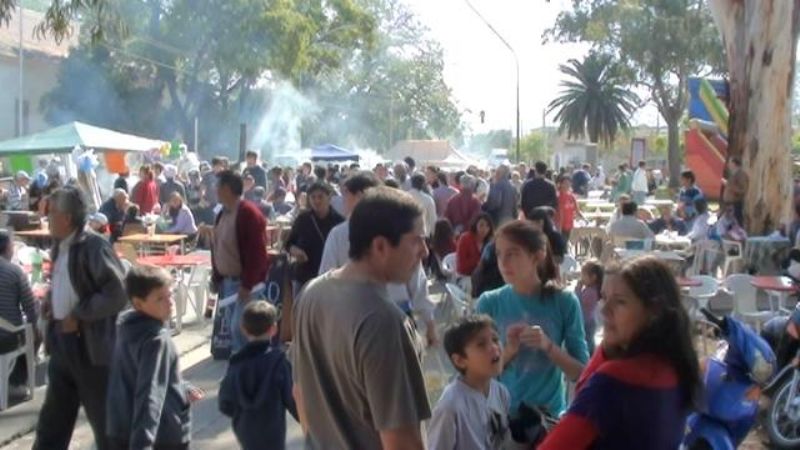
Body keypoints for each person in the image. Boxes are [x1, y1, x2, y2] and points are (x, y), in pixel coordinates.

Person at [292, 186, 431, 449]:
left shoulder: (312, 293)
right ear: (380, 246)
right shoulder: (384, 322)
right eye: (417, 240)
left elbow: (300, 394)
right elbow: (401, 441)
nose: (424, 251)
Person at [539, 256, 701, 450]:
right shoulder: (678, 368)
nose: (604, 310)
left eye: (620, 302)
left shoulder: (613, 381)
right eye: (604, 298)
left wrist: (604, 350)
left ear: (654, 310)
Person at [34, 187, 127, 450]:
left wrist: (79, 314)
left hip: (91, 348)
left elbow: (117, 293)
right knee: (53, 422)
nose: (47, 218)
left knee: (106, 424)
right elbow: (68, 282)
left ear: (66, 218)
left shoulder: (93, 246)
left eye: (51, 213)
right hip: (62, 343)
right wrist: (51, 300)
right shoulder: (60, 246)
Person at [476, 220, 588, 424]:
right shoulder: (489, 302)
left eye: (513, 254)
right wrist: (509, 351)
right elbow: (478, 373)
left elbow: (581, 374)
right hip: (502, 417)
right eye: (499, 254)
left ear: (538, 255)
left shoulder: (564, 302)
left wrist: (548, 346)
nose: (503, 262)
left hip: (548, 418)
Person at [319, 172, 438, 347]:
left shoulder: (397, 231)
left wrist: (429, 322)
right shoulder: (339, 233)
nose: (343, 201)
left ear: (361, 195)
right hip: (358, 319)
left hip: (390, 316)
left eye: (346, 195)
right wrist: (430, 323)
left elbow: (417, 279)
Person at [106, 265, 194, 450]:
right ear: (138, 303)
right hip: (162, 435)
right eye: (160, 299)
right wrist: (143, 443)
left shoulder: (124, 329)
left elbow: (134, 374)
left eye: (170, 294)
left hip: (121, 428)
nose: (169, 302)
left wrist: (181, 387)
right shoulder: (156, 340)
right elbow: (149, 393)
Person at [219, 301, 298, 450]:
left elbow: (225, 402)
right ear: (274, 329)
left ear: (243, 329)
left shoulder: (236, 363)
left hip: (246, 432)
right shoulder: (278, 362)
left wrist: (239, 414)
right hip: (273, 433)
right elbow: (292, 397)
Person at [427, 315, 510, 449]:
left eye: (495, 340)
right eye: (481, 344)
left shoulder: (501, 392)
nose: (494, 347)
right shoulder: (450, 407)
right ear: (460, 360)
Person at [211, 171, 269, 354]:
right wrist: (216, 277)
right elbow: (218, 246)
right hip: (228, 283)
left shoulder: (248, 214)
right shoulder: (222, 214)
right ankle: (242, 365)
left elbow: (257, 253)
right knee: (234, 330)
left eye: (218, 186)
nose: (215, 190)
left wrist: (247, 285)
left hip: (245, 284)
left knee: (241, 329)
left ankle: (246, 366)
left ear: (227, 189)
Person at [285, 181, 344, 288]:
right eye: (313, 197)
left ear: (329, 197)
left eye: (320, 197)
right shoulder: (303, 219)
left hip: (329, 279)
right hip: (303, 276)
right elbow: (289, 243)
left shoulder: (339, 222)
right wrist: (296, 251)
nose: (317, 201)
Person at [0, 231, 37, 396]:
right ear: (7, 248)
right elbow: (30, 308)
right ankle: (16, 382)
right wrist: (34, 328)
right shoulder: (14, 272)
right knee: (31, 333)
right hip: (6, 338)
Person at [575, 261, 603, 355]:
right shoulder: (589, 290)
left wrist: (578, 289)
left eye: (583, 275)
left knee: (587, 344)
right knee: (588, 342)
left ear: (593, 277)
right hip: (587, 321)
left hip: (587, 323)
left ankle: (589, 357)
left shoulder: (591, 292)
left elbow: (578, 303)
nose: (581, 277)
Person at [409, 173, 438, 238]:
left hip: (407, 235)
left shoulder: (404, 196)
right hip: (423, 234)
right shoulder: (428, 199)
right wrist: (434, 235)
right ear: (423, 184)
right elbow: (432, 219)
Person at [722, 156, 748, 226]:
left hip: (736, 203)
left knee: (737, 222)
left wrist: (729, 186)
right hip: (729, 203)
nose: (728, 165)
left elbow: (743, 189)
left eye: (730, 162)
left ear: (734, 163)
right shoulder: (733, 174)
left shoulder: (741, 175)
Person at [556, 175, 582, 243]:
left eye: (569, 183)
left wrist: (584, 219)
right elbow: (559, 213)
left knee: (566, 243)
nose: (567, 185)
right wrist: (559, 228)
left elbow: (577, 210)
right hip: (561, 227)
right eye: (565, 183)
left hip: (569, 225)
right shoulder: (558, 197)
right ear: (561, 184)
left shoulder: (571, 196)